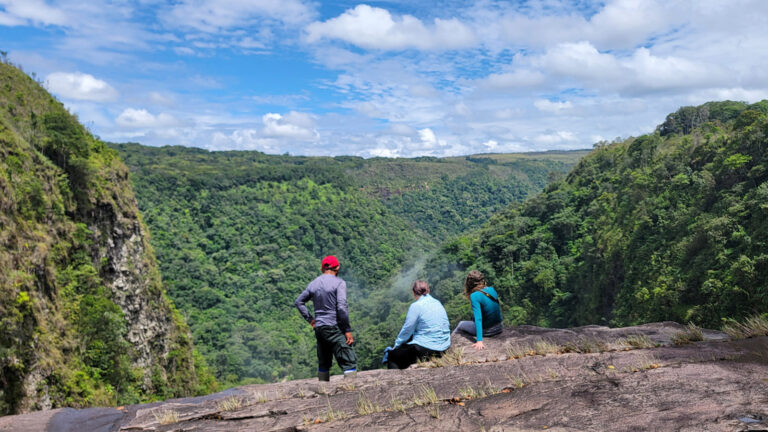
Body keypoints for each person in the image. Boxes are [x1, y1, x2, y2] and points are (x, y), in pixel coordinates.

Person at [295, 255, 357, 381]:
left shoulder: (313, 284)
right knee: (348, 358)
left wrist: (311, 320)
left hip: (319, 328)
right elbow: (341, 307)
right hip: (334, 326)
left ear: (322, 268)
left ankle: (323, 389)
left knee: (323, 361)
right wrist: (347, 330)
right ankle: (352, 389)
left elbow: (298, 302)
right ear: (337, 267)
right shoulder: (339, 283)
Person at [386, 280, 451, 369]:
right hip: (444, 347)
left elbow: (407, 329)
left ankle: (396, 381)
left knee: (393, 356)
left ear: (413, 292)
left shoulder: (416, 306)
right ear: (428, 290)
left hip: (428, 349)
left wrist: (396, 346)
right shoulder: (437, 302)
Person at [452, 270, 503, 350]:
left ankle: (450, 344)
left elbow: (478, 319)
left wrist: (479, 340)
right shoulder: (492, 289)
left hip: (488, 330)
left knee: (461, 324)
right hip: (499, 327)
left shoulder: (474, 296)